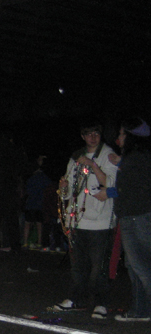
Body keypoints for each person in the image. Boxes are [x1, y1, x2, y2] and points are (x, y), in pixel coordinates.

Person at [53, 120, 117, 317]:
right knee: (78, 265)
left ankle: (101, 302)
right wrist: (63, 188)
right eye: (88, 133)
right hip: (78, 219)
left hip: (100, 221)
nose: (93, 137)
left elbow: (112, 184)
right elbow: (68, 190)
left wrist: (93, 165)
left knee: (99, 266)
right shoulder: (75, 157)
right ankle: (76, 299)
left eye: (96, 133)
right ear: (82, 136)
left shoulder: (108, 155)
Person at [94, 117, 151, 321]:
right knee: (134, 266)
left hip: (137, 218)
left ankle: (142, 309)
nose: (118, 138)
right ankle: (140, 310)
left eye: (121, 134)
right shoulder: (137, 158)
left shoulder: (137, 158)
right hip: (135, 217)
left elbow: (130, 190)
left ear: (131, 137)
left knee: (141, 267)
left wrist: (107, 192)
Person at [23, 155, 53, 249]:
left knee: (28, 223)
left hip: (31, 204)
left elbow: (27, 191)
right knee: (39, 224)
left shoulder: (31, 178)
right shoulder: (45, 178)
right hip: (40, 204)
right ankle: (39, 242)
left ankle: (25, 242)